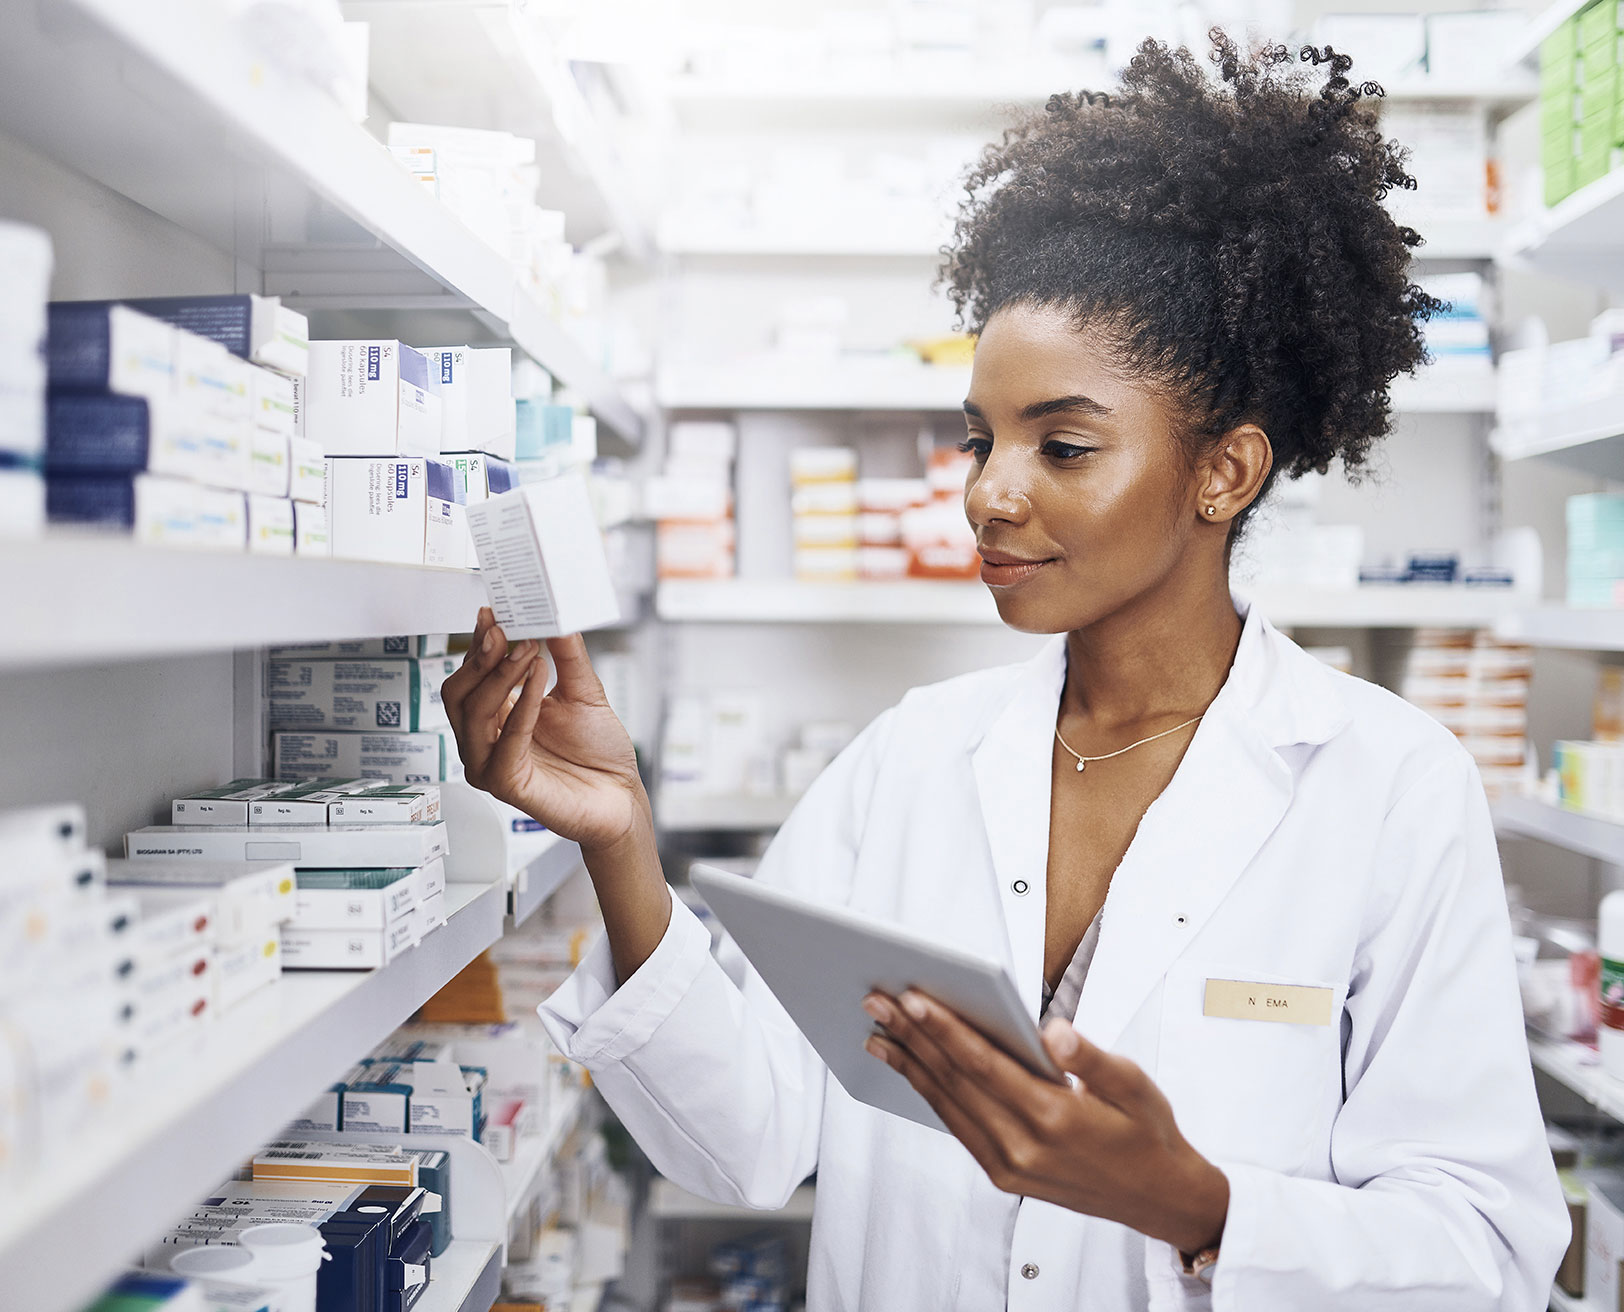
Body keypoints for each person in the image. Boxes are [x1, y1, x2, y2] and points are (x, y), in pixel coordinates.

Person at [441, 33, 1567, 1311]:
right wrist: (619, 838)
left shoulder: (1387, 788)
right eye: (980, 440)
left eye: (1064, 446)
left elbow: (1484, 1253)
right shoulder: (911, 759)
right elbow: (748, 1140)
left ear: (1225, 471)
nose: (987, 494)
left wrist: (1192, 1204)